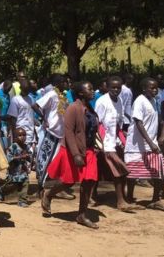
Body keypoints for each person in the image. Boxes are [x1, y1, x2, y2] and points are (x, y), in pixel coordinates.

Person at [43, 81, 100, 229]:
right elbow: (68, 132)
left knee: (89, 182)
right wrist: (76, 154)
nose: (93, 91)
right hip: (73, 151)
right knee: (68, 181)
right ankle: (49, 194)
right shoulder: (73, 108)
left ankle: (82, 214)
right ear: (81, 93)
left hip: (89, 151)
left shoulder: (90, 109)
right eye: (90, 88)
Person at [95, 76, 141, 212]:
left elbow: (118, 121)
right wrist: (99, 143)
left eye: (118, 88)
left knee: (117, 171)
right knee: (118, 171)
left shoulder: (120, 100)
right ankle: (120, 201)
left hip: (116, 140)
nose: (116, 90)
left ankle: (121, 199)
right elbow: (97, 122)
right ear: (107, 88)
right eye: (113, 87)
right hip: (105, 142)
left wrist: (121, 136)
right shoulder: (102, 102)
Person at [125, 78, 164, 211]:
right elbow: (138, 123)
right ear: (144, 88)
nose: (155, 90)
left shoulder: (153, 101)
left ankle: (155, 199)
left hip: (152, 142)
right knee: (132, 173)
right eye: (152, 88)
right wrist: (150, 143)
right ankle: (129, 198)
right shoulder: (140, 101)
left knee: (158, 170)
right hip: (137, 144)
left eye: (156, 87)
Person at [33, 74, 68, 195]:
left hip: (60, 133)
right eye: (64, 82)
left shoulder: (63, 96)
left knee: (56, 161)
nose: (66, 84)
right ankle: (41, 188)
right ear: (58, 84)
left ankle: (54, 188)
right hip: (50, 131)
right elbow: (35, 105)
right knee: (45, 159)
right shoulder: (52, 94)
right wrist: (44, 118)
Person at [0, 127, 32, 208]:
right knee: (12, 185)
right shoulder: (13, 147)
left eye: (24, 135)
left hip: (23, 171)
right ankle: (2, 190)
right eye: (20, 135)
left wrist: (28, 157)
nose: (22, 137)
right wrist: (20, 157)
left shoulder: (26, 147)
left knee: (25, 183)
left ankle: (22, 201)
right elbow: (9, 159)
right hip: (14, 171)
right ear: (15, 137)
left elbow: (30, 157)